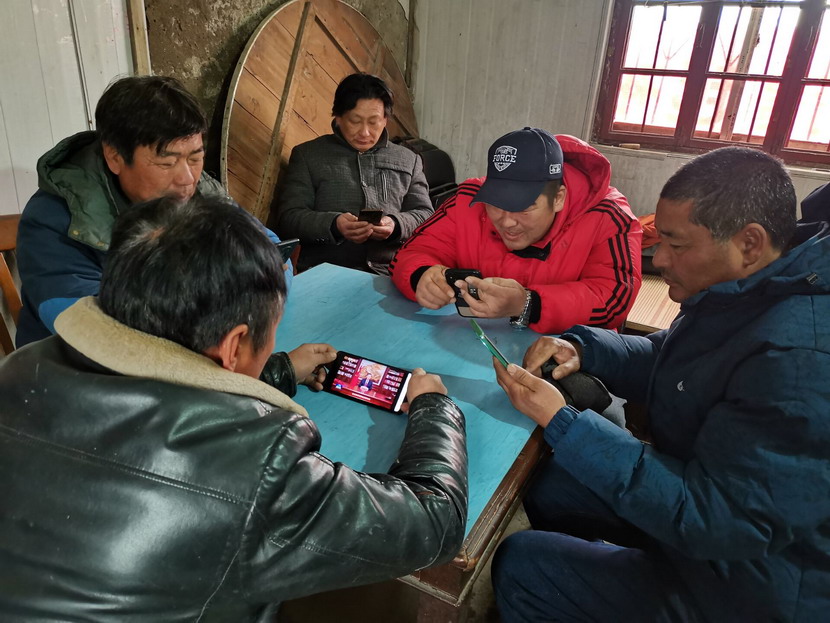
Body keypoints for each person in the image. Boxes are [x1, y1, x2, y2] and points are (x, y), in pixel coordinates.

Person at [0, 196, 468, 621]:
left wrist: (278, 370)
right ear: (234, 345)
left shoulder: (20, 368)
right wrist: (433, 406)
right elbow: (434, 521)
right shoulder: (258, 460)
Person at [490, 146, 830, 622]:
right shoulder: (754, 287)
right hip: (706, 512)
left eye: (676, 244)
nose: (659, 257)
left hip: (751, 586)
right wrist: (587, 348)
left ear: (749, 243)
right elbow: (675, 361)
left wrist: (564, 422)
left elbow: (719, 519)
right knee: (550, 484)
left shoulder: (798, 358)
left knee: (522, 566)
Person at [15, 74, 291, 349]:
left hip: (195, 351)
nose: (187, 179)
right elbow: (91, 330)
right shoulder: (53, 221)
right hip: (77, 367)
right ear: (114, 157)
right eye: (166, 163)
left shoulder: (200, 189)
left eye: (195, 158)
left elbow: (275, 255)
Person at [389, 127, 642, 333]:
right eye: (495, 204)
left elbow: (613, 300)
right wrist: (422, 276)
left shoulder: (609, 218)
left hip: (564, 355)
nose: (507, 222)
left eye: (524, 207)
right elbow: (411, 253)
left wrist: (528, 304)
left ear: (558, 198)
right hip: (465, 340)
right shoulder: (468, 200)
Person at [275, 72, 433, 274]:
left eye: (373, 121)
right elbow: (289, 218)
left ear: (385, 119)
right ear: (338, 118)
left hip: (391, 273)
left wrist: (396, 224)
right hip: (325, 273)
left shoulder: (409, 160)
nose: (365, 132)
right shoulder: (308, 155)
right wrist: (334, 224)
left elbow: (426, 215)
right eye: (355, 121)